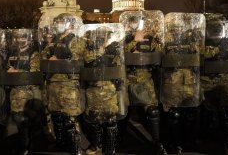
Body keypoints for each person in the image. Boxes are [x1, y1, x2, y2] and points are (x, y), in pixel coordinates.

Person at [120, 10, 166, 154]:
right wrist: (135, 41)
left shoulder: (151, 40)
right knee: (123, 111)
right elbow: (120, 55)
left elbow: (160, 55)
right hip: (127, 79)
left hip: (145, 80)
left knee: (152, 111)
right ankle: (121, 139)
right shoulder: (125, 40)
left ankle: (157, 141)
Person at [161, 13, 205, 154]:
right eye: (174, 29)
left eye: (179, 28)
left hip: (189, 80)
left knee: (190, 112)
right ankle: (174, 143)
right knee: (174, 114)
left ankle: (189, 140)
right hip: (172, 81)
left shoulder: (191, 40)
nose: (177, 31)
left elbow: (200, 56)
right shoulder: (164, 41)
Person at [40, 13, 85, 155]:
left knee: (69, 118)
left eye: (60, 22)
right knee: (57, 116)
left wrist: (57, 57)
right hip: (54, 82)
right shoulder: (56, 40)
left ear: (70, 25)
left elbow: (76, 60)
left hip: (68, 83)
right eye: (57, 22)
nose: (57, 25)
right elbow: (44, 57)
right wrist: (48, 46)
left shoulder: (76, 40)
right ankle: (61, 144)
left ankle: (75, 149)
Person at [201, 15, 228, 155]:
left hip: (225, 84)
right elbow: (201, 55)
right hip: (206, 84)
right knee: (205, 113)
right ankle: (204, 140)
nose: (215, 32)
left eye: (218, 29)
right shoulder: (203, 43)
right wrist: (219, 50)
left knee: (226, 114)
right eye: (213, 29)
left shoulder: (227, 43)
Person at [81, 23, 128, 155]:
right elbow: (86, 61)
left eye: (106, 36)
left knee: (110, 120)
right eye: (100, 36)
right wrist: (100, 51)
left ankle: (110, 148)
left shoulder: (114, 50)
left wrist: (119, 88)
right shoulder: (90, 50)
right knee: (94, 119)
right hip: (93, 88)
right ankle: (96, 145)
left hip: (110, 89)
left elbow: (119, 67)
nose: (103, 38)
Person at [0, 28, 43, 154]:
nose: (20, 40)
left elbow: (34, 72)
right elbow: (6, 68)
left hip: (27, 91)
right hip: (14, 91)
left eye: (23, 37)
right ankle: (24, 145)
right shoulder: (12, 53)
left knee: (24, 120)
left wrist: (16, 72)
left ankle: (26, 147)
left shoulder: (34, 53)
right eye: (17, 38)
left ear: (28, 39)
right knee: (18, 119)